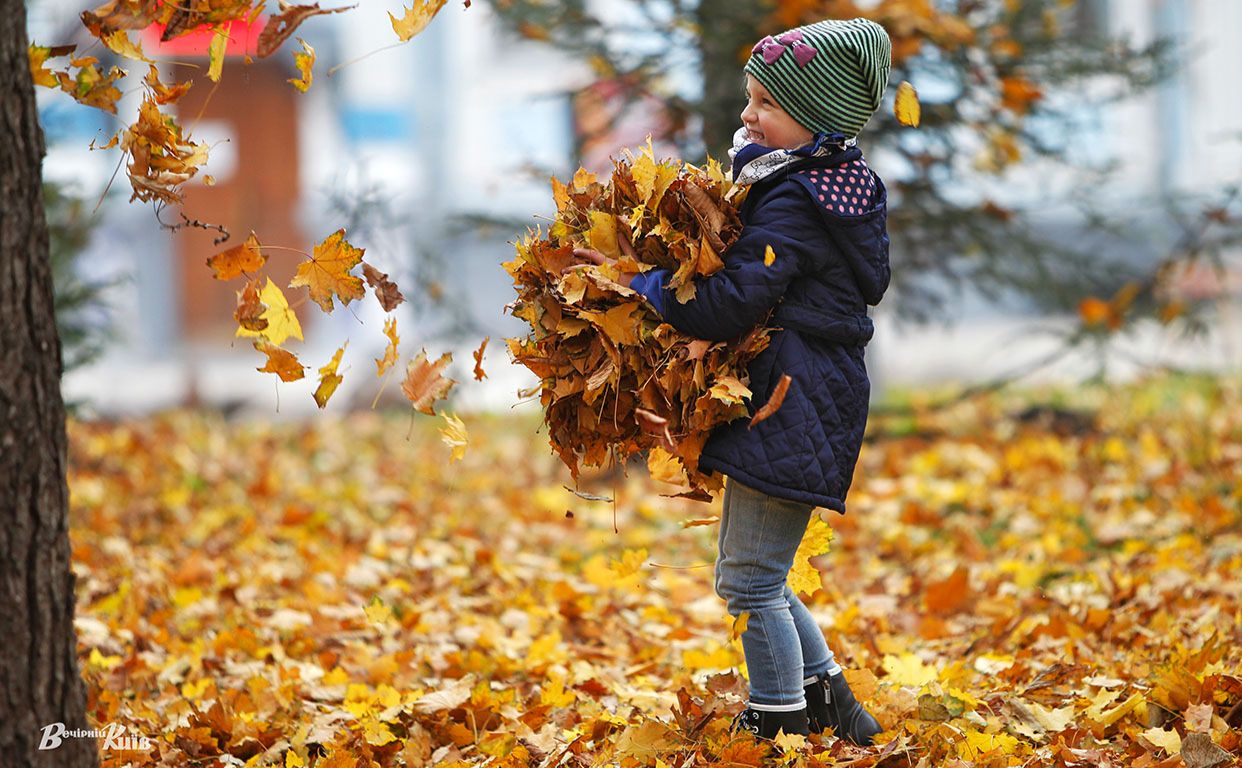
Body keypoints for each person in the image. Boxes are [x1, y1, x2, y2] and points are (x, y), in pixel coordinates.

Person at [574, 17, 892, 743]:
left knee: (748, 582)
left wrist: (648, 286)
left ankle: (775, 723)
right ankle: (838, 708)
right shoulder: (814, 183)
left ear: (816, 119)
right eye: (749, 98)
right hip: (802, 394)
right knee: (760, 576)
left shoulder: (798, 202)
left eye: (766, 105)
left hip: (794, 401)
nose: (747, 115)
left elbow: (730, 303)